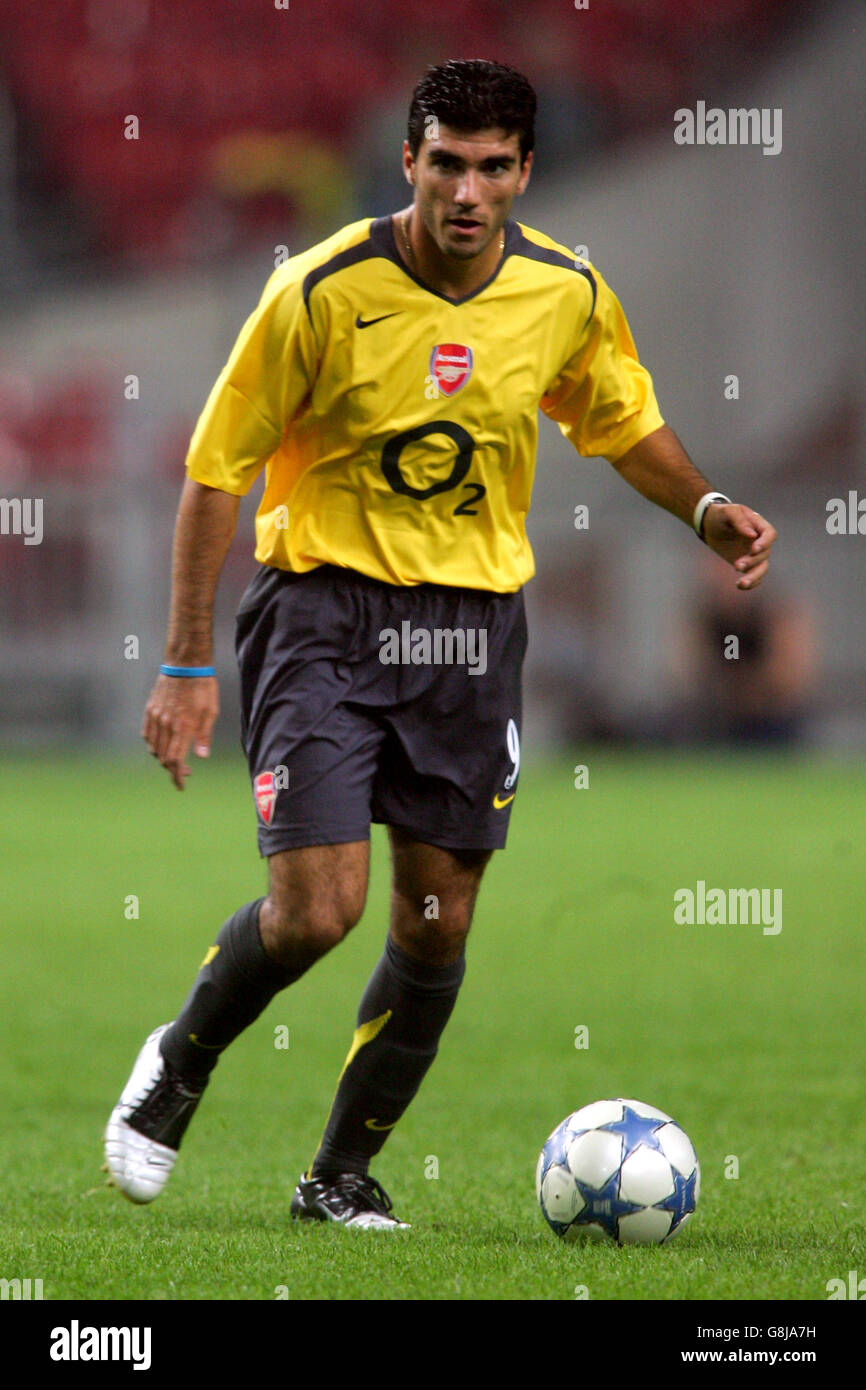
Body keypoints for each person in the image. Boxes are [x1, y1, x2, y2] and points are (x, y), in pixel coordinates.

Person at [104, 59, 777, 1230]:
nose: (468, 190)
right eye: (447, 162)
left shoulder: (563, 292)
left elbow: (619, 419)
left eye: (493, 166)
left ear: (524, 170)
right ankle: (180, 1060)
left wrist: (705, 507)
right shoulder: (318, 291)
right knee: (319, 909)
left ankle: (337, 1177)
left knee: (436, 919)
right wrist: (184, 661)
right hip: (323, 609)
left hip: (470, 629)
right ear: (408, 160)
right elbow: (215, 469)